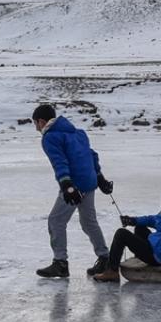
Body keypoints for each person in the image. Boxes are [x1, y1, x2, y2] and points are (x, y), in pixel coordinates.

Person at [31, 103, 113, 279]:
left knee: (56, 221)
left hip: (76, 185)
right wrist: (100, 178)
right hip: (89, 182)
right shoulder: (78, 133)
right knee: (89, 222)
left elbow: (59, 162)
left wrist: (67, 185)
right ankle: (105, 258)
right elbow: (91, 156)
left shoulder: (50, 137)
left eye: (35, 124)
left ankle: (60, 263)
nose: (36, 128)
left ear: (41, 121)